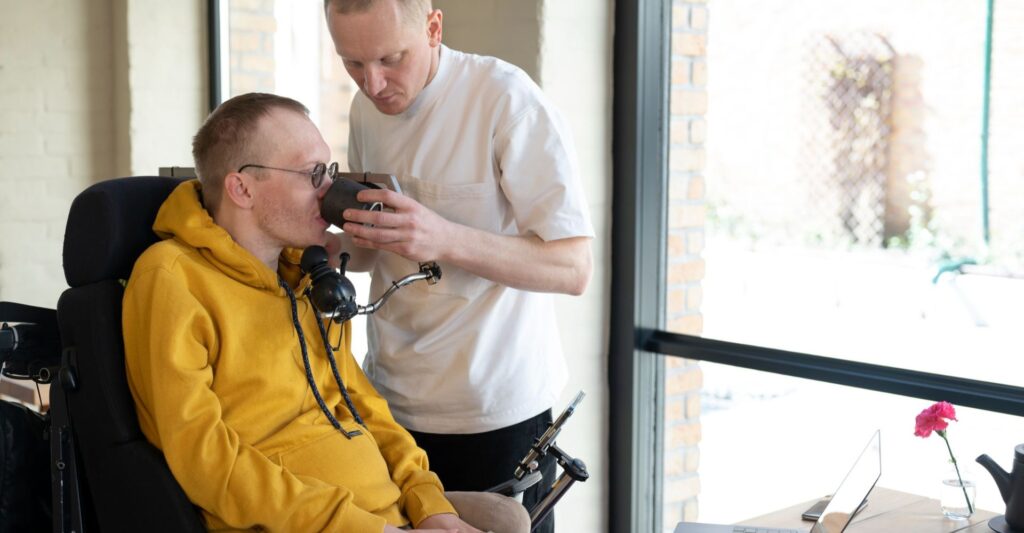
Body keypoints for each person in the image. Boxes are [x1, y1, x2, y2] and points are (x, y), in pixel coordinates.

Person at [122, 92, 529, 533]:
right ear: (242, 188)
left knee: (509, 518)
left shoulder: (305, 277)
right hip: (305, 524)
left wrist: (432, 506)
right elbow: (206, 460)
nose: (330, 191)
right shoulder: (171, 278)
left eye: (329, 171)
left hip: (382, 513)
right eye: (312, 174)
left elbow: (363, 404)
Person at [324, 1, 594, 530]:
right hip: (391, 409)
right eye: (352, 63)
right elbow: (380, 246)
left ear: (432, 26)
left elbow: (573, 267)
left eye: (389, 59)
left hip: (496, 415)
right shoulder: (365, 109)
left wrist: (443, 237)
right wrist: (323, 252)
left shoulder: (504, 100)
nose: (373, 83)